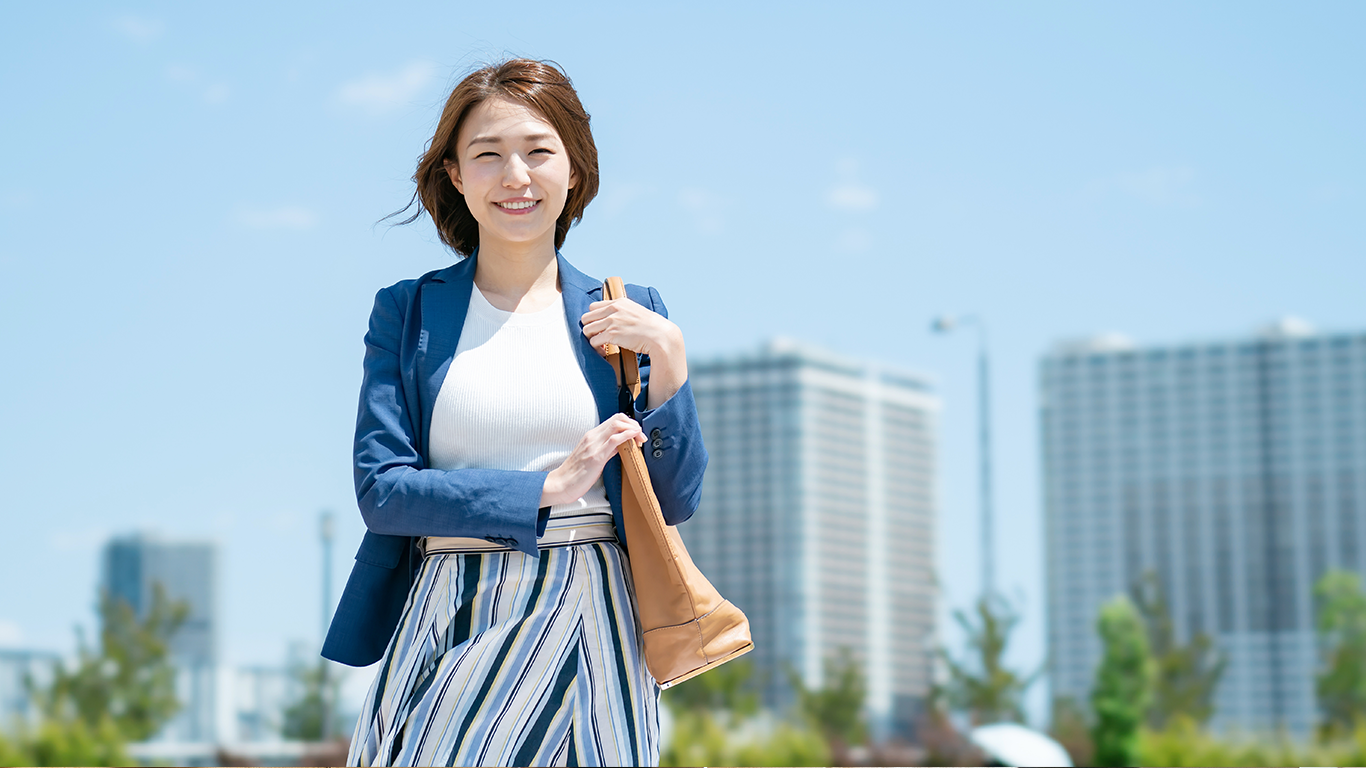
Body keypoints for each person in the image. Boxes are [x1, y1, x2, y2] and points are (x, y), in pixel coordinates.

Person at [320, 58, 707, 767]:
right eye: (488, 155)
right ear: (456, 176)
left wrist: (671, 368)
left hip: (596, 616)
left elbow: (674, 499)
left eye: (538, 151)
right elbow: (383, 491)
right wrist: (543, 490)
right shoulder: (408, 312)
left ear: (575, 170)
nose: (515, 176)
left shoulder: (630, 310)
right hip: (456, 604)